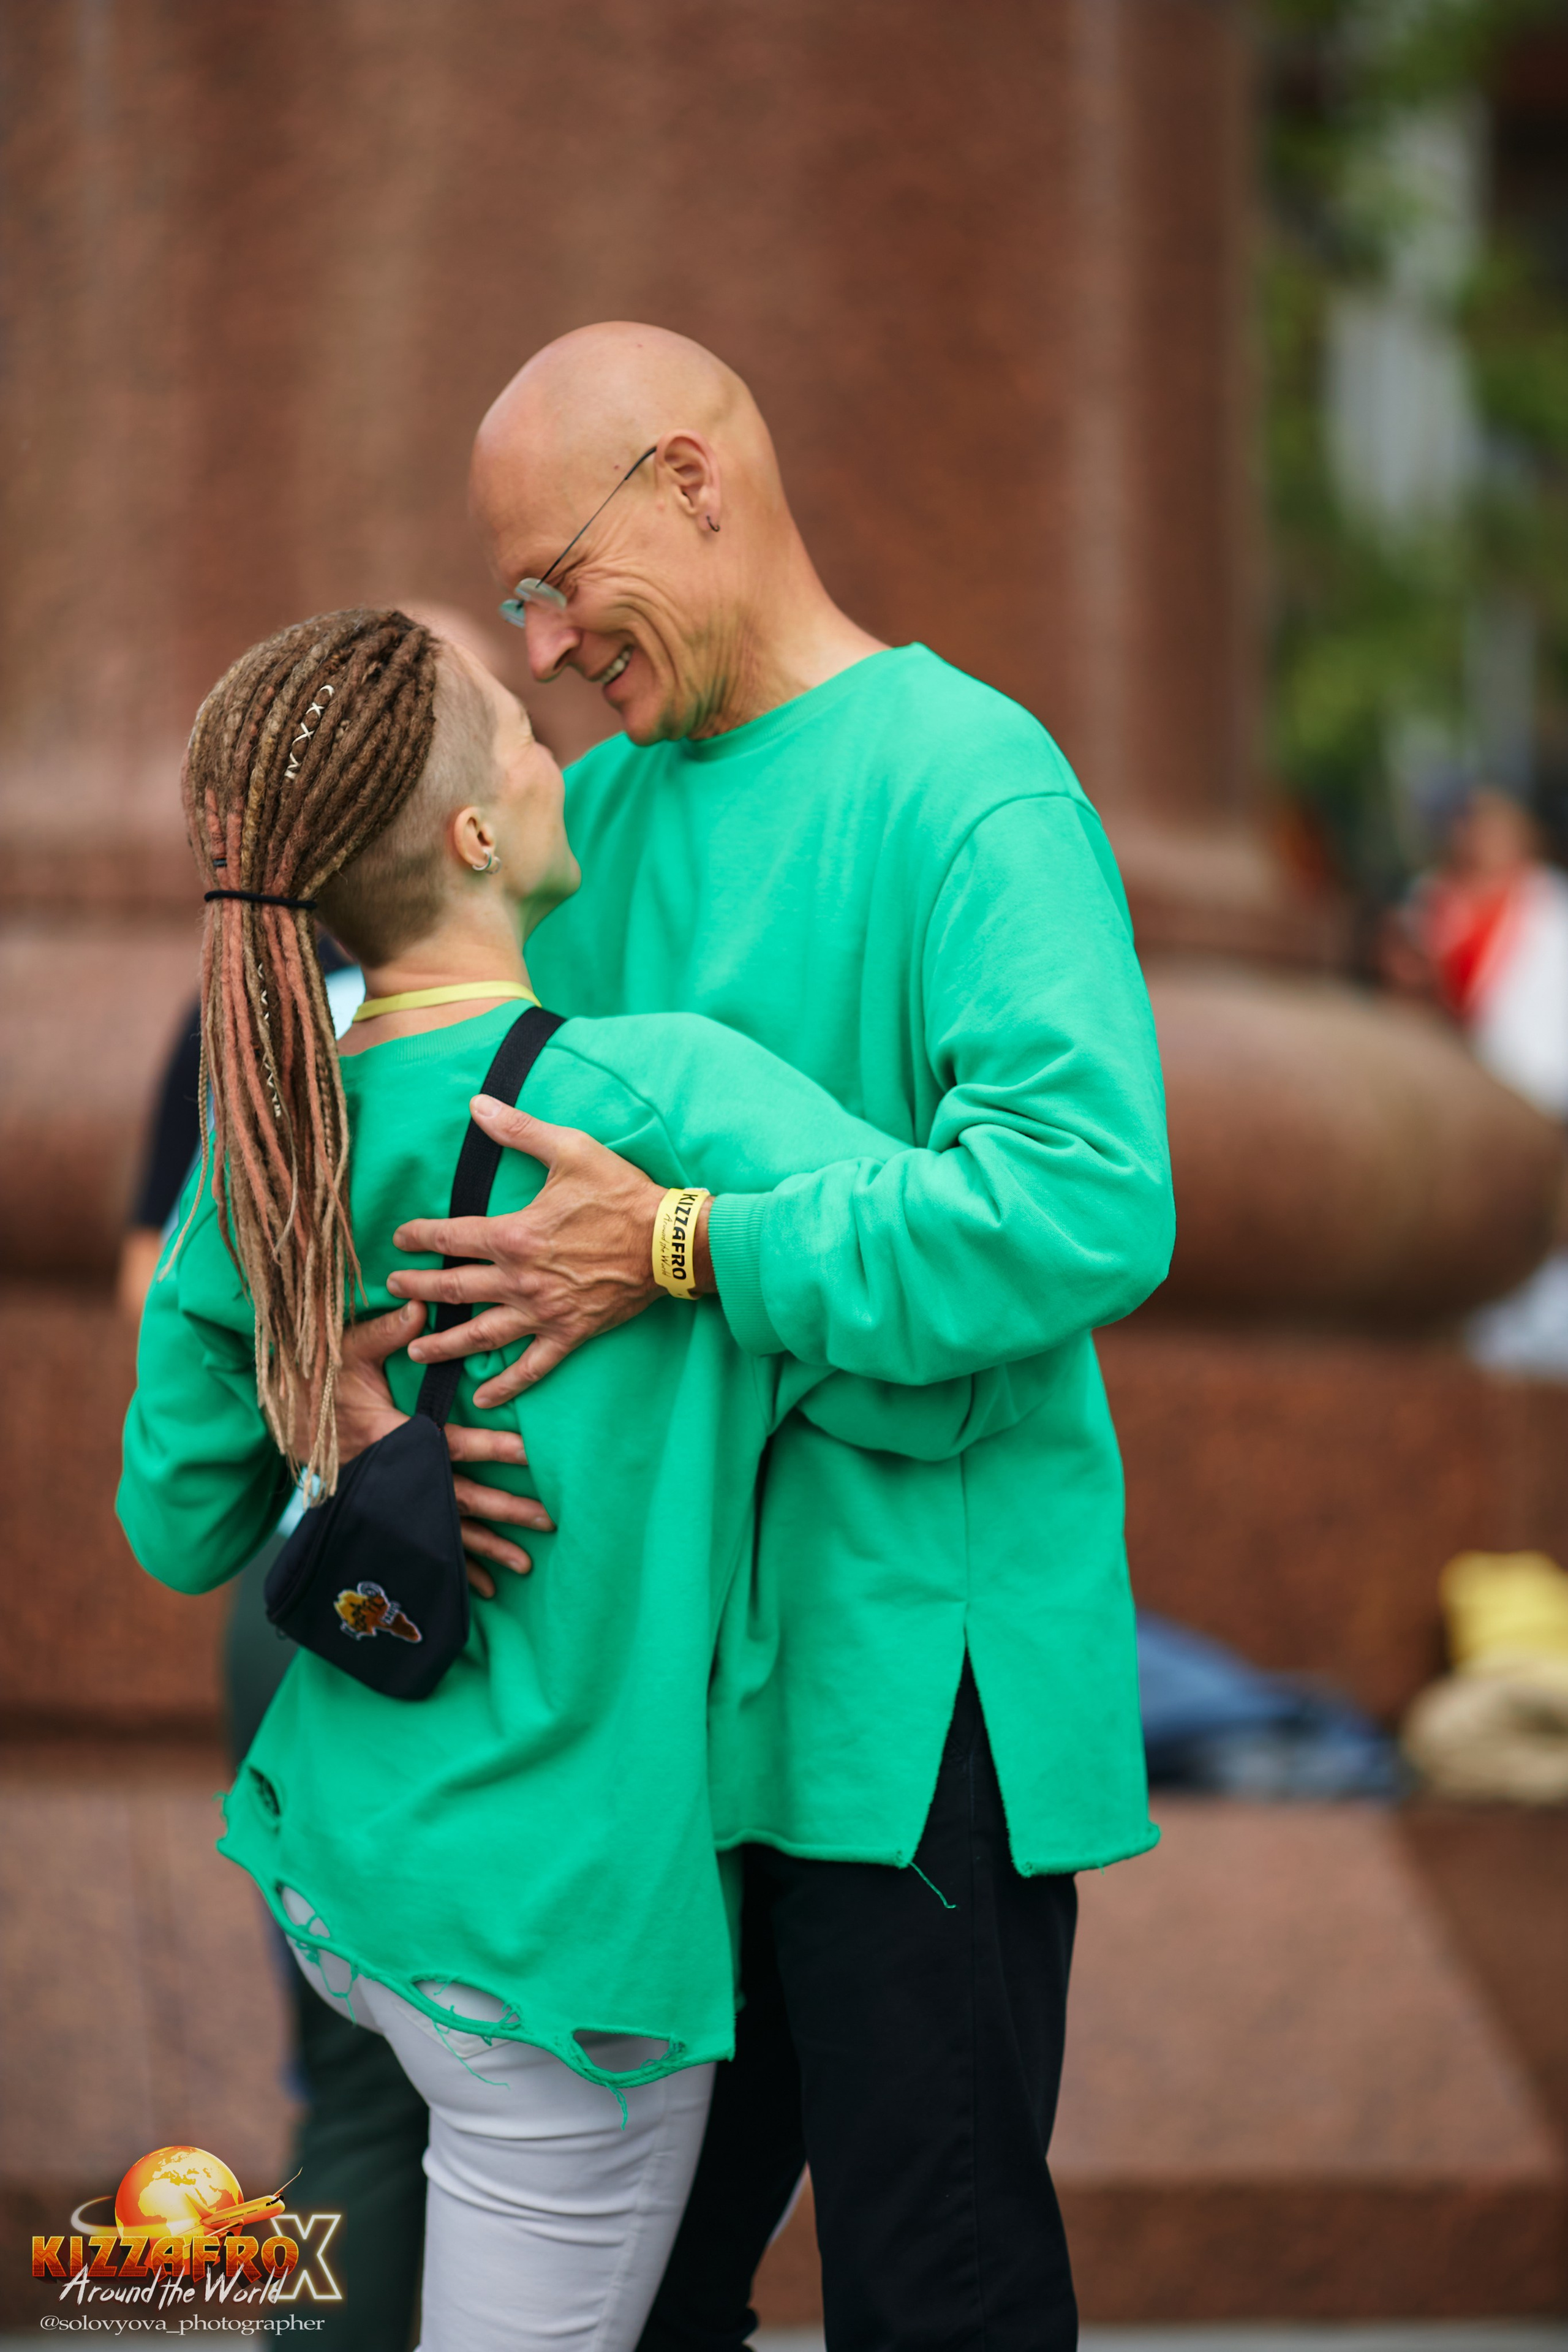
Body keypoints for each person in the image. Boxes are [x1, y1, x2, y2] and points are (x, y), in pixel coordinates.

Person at [117, 606, 1055, 2352]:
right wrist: (695, 1246)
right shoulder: (655, 1089)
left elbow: (175, 1523)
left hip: (343, 1872)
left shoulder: (272, 1128)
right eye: (523, 737)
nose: (564, 748)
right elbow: (961, 1276)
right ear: (477, 834)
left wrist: (314, 1388)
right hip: (552, 1938)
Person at [375, 323, 1175, 2351]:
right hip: (647, 1701)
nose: (545, 647)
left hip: (920, 1695)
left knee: (938, 2289)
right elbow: (432, 1121)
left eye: (554, 580)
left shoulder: (972, 783)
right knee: (637, 2306)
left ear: (694, 483)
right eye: (516, 611)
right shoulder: (594, 824)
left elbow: (1082, 1200)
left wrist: (684, 1246)